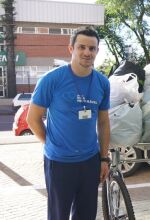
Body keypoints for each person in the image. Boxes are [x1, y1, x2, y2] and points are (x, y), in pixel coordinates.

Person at [27, 26, 110, 220]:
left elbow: (104, 122)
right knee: (58, 215)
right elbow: (33, 118)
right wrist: (50, 143)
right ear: (71, 49)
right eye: (82, 47)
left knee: (86, 215)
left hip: (90, 161)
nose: (87, 52)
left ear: (97, 51)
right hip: (59, 162)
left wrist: (104, 158)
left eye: (92, 48)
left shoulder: (102, 83)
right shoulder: (51, 80)